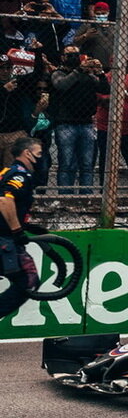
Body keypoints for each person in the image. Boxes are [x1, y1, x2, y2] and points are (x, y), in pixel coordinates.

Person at [0, 137, 43, 320]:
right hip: (4, 238)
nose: (42, 158)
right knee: (28, 280)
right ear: (28, 153)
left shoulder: (8, 171)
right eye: (40, 153)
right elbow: (4, 200)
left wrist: (28, 226)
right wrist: (17, 231)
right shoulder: (20, 174)